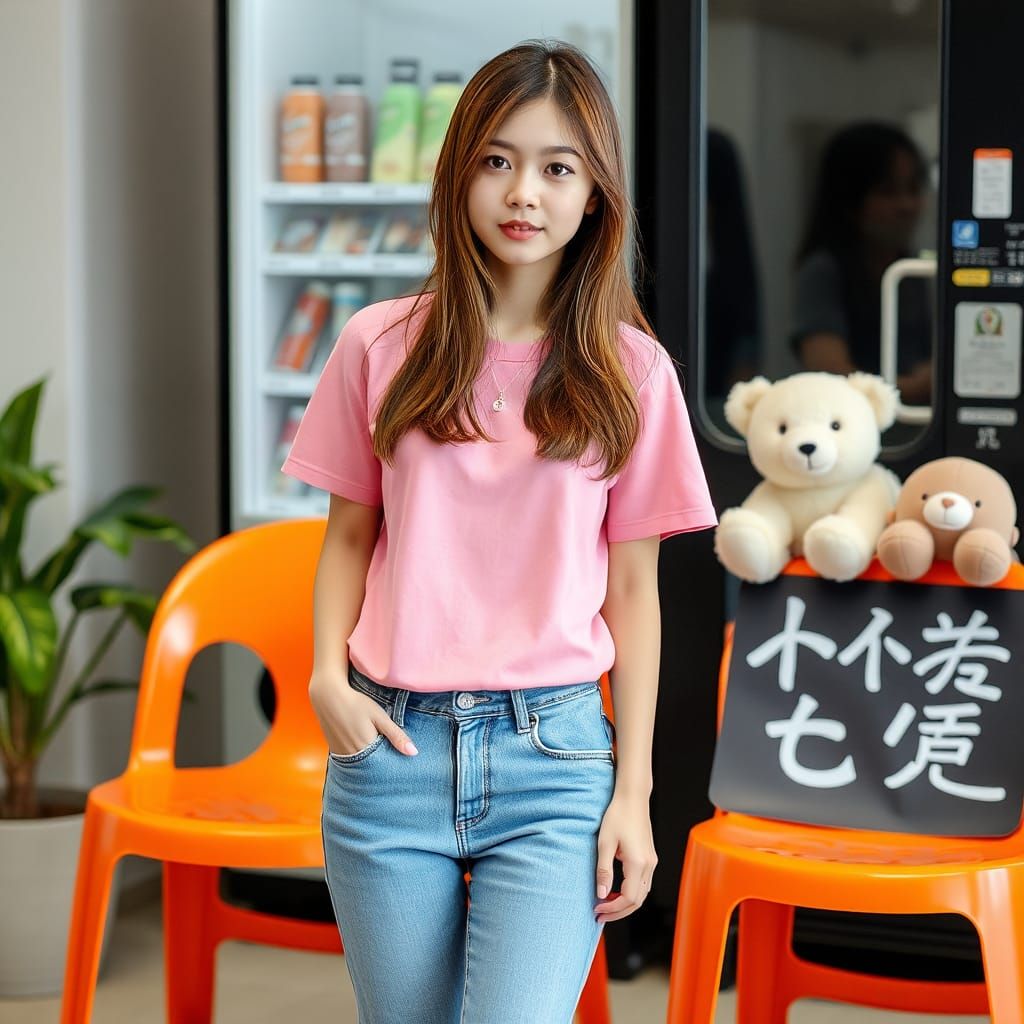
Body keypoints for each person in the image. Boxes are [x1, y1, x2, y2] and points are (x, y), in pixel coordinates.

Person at [280, 39, 717, 1024]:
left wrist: (634, 794)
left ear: (595, 195)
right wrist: (322, 678)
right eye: (497, 159)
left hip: (554, 756)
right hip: (390, 748)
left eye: (559, 167)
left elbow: (635, 594)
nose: (525, 191)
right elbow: (347, 538)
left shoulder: (631, 371)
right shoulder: (377, 346)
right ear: (459, 174)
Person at [791, 121, 934, 406]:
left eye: (912, 189)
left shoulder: (914, 269)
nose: (906, 205)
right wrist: (915, 386)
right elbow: (830, 374)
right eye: (888, 191)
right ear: (850, 202)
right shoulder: (822, 271)